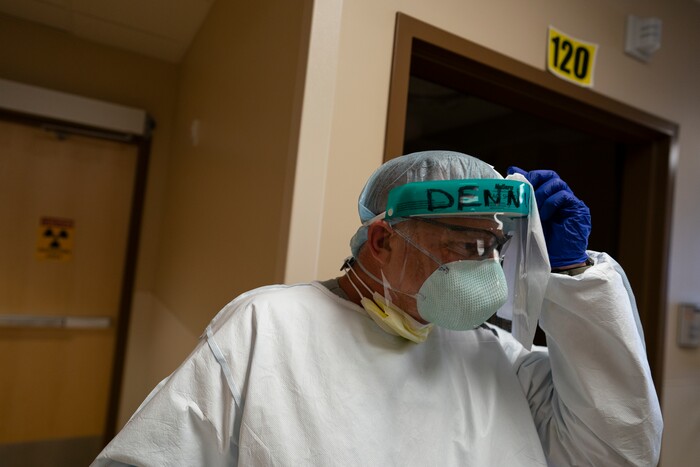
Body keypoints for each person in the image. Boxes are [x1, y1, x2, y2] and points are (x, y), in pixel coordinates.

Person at [93, 150, 662, 466]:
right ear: (385, 243)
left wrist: (571, 273)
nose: (487, 268)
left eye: (493, 247)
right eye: (464, 246)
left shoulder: (495, 355)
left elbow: (618, 449)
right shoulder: (266, 328)